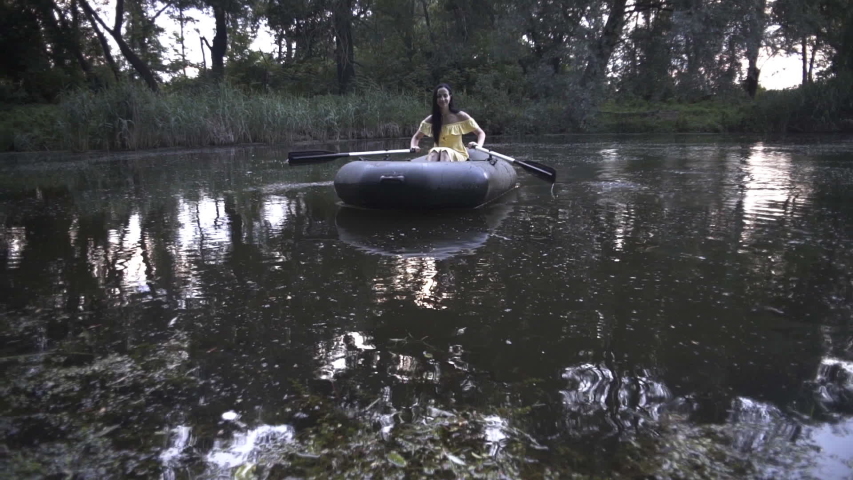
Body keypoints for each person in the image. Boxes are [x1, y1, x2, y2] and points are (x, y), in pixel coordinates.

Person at [409, 83, 486, 162]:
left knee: (445, 152)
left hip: (458, 153)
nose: (442, 99)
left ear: (450, 97)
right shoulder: (431, 119)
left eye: (445, 95)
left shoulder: (461, 116)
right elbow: (416, 137)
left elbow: (480, 133)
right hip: (437, 152)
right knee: (433, 152)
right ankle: (432, 172)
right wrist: (413, 146)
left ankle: (442, 172)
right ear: (435, 99)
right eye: (439, 96)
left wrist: (478, 146)